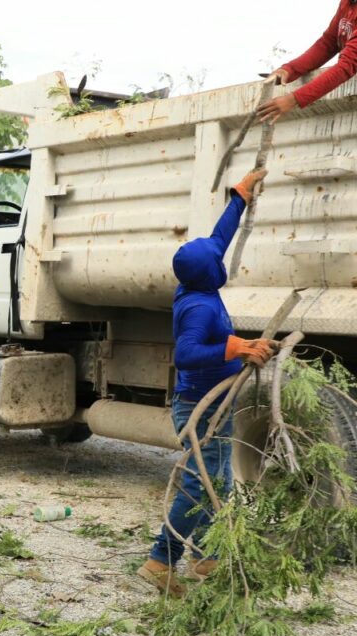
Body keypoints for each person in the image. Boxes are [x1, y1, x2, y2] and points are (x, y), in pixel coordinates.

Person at [137, 170, 277, 597]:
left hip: (217, 404)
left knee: (221, 480)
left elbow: (221, 236)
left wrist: (239, 196)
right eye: (216, 261)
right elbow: (185, 355)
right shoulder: (198, 307)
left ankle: (206, 555)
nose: (221, 259)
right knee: (202, 482)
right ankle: (160, 561)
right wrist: (234, 348)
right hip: (199, 407)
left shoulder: (197, 275)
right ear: (208, 273)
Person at [258, 0, 357, 123]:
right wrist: (288, 70)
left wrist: (293, 99)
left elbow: (346, 67)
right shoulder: (347, 3)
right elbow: (329, 43)